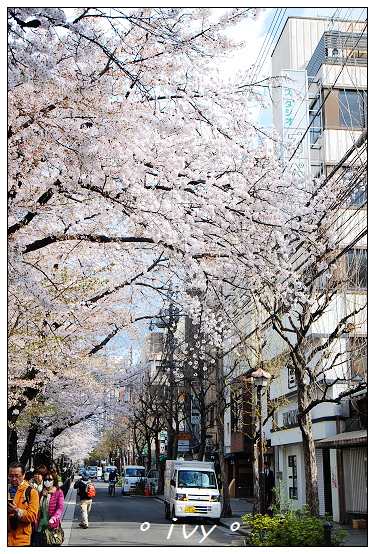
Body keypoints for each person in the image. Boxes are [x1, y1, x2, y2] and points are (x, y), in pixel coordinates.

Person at [7, 461, 39, 546]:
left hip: (22, 541)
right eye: (11, 476)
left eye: (17, 476)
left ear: (23, 475)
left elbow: (32, 516)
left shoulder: (31, 492)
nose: (14, 479)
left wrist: (17, 511)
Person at [34, 468, 65, 546]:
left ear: (54, 481)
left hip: (52, 526)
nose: (47, 481)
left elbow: (60, 508)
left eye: (49, 479)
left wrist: (54, 518)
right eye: (45, 479)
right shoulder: (41, 494)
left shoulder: (58, 493)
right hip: (40, 526)